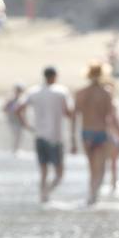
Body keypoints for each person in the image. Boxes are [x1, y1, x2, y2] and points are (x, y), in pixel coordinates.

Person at [17, 66, 74, 203]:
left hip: (39, 135)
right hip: (56, 136)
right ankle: (47, 193)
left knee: (43, 172)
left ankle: (42, 197)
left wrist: (26, 125)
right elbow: (69, 112)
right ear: (55, 76)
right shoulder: (61, 91)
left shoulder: (33, 91)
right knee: (59, 173)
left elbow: (18, 109)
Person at [74, 62, 119, 205]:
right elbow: (111, 118)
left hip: (86, 133)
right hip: (101, 133)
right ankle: (94, 197)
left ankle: (91, 195)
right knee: (101, 168)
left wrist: (72, 139)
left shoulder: (80, 93)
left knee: (91, 168)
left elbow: (74, 116)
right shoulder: (106, 93)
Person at [3, 84, 27, 155]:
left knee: (19, 135)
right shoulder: (11, 99)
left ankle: (16, 149)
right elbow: (4, 109)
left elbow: (23, 111)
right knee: (16, 135)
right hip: (12, 120)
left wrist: (23, 120)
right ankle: (14, 150)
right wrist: (12, 110)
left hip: (18, 120)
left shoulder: (22, 99)